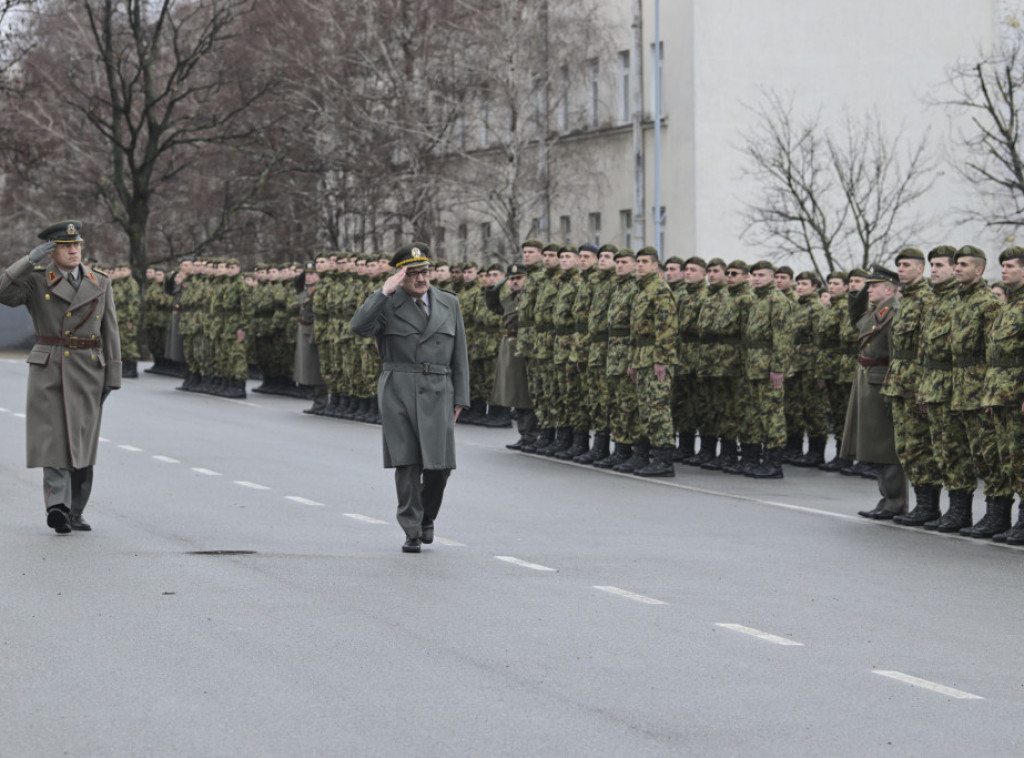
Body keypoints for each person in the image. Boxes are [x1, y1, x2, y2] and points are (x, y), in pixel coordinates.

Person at [0, 221, 122, 533]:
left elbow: (110, 330)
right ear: (51, 251)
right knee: (52, 437)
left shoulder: (100, 282)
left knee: (81, 442)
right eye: (66, 246)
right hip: (49, 365)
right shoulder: (37, 281)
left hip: (88, 370)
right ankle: (58, 506)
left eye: (77, 245)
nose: (73, 250)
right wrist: (29, 260)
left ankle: (76, 509)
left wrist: (113, 374)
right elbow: (3, 291)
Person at [350, 243, 469, 554]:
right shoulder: (387, 304)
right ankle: (412, 529)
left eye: (425, 272)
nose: (421, 279)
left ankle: (428, 514)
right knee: (407, 462)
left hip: (439, 388)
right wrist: (382, 292)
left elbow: (460, 355)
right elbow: (359, 327)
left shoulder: (448, 303)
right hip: (399, 389)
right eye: (413, 273)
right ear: (399, 276)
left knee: (440, 466)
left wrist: (462, 397)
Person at [841, 265, 907, 519]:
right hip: (869, 380)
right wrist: (856, 294)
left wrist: (894, 388)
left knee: (885, 445)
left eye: (874, 285)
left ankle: (896, 501)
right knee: (873, 445)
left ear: (889, 288)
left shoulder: (895, 312)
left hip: (883, 382)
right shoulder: (877, 312)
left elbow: (895, 354)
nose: (869, 290)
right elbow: (856, 320)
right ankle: (887, 498)